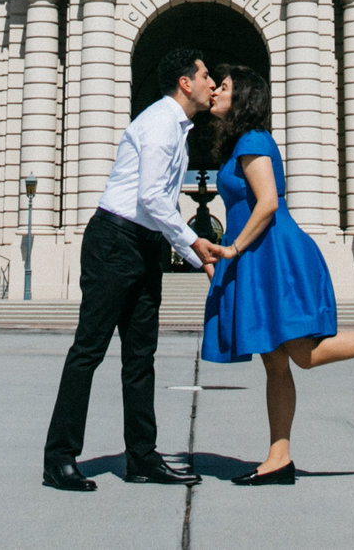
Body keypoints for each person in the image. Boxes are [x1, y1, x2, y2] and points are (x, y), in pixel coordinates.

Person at [201, 65, 354, 485]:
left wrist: (234, 249)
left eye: (225, 86)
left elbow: (268, 202)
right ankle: (278, 459)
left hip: (272, 253)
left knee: (303, 355)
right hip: (257, 256)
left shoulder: (253, 140)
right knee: (275, 362)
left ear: (244, 98)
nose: (216, 91)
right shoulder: (242, 141)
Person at [42, 47, 223, 492]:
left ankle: (141, 456)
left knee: (140, 357)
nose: (211, 83)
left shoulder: (176, 125)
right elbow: (152, 198)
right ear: (185, 82)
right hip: (115, 240)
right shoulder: (161, 123)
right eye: (205, 76)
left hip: (142, 245)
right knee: (89, 350)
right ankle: (59, 458)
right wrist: (194, 244)